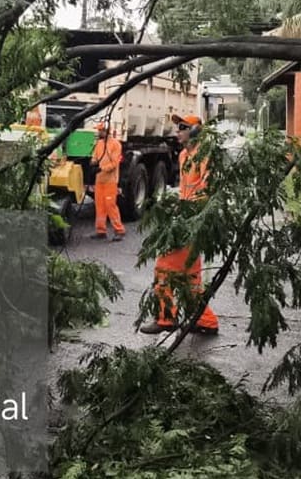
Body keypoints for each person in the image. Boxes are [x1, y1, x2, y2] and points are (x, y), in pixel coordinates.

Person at [139, 114, 219, 335]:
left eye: (182, 127)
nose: (177, 130)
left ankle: (166, 319)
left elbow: (206, 190)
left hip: (193, 221)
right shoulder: (184, 155)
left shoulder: (205, 155)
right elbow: (187, 189)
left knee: (164, 268)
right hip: (185, 219)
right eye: (177, 126)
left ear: (195, 131)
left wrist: (189, 216)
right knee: (190, 276)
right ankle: (205, 321)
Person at [90, 121, 126, 241]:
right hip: (99, 180)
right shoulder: (99, 144)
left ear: (106, 131)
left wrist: (101, 168)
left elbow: (114, 163)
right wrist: (93, 163)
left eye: (100, 130)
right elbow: (95, 157)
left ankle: (119, 230)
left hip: (111, 180)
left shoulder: (116, 144)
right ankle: (101, 231)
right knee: (100, 205)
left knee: (110, 205)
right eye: (99, 130)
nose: (99, 132)